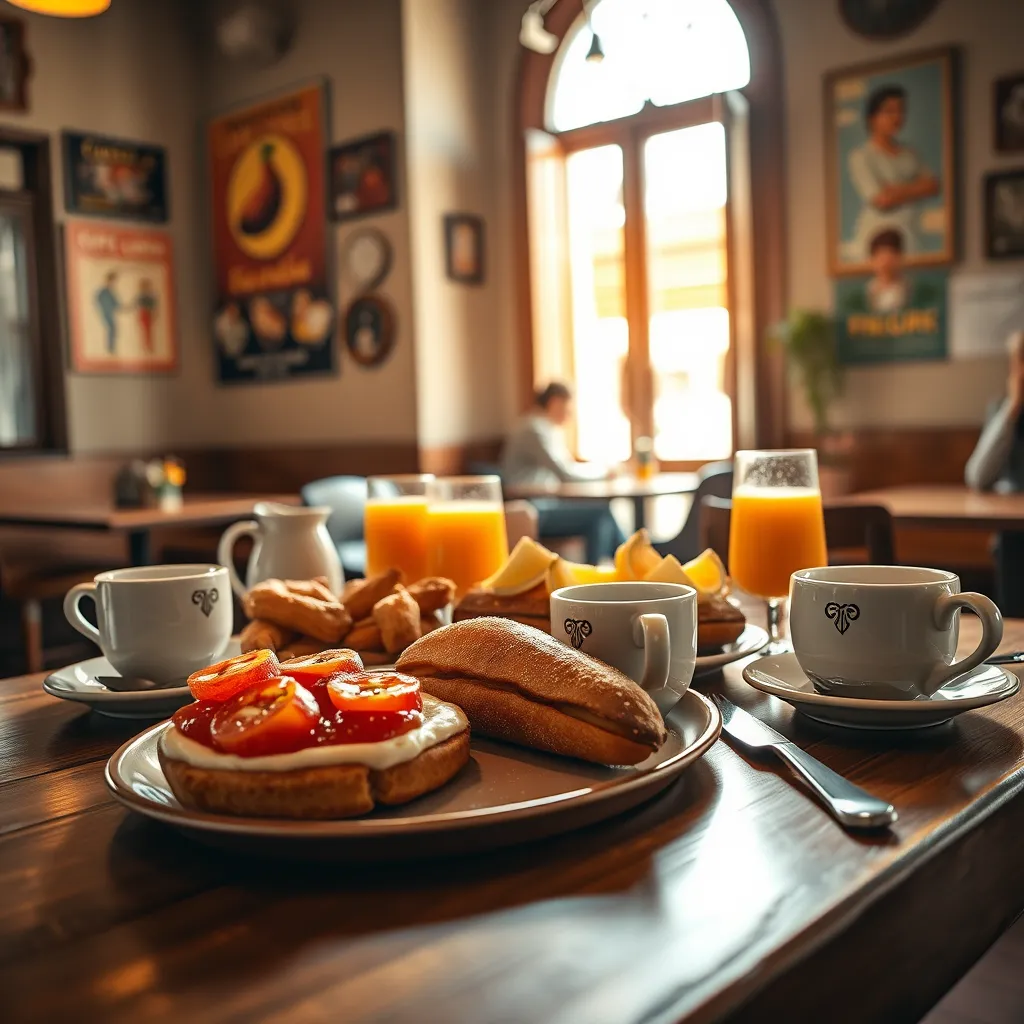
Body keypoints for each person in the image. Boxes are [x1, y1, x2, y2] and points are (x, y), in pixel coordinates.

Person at [501, 382, 626, 565]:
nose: (570, 414)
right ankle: (614, 569)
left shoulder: (546, 429)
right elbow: (565, 473)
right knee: (600, 513)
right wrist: (604, 473)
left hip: (541, 502)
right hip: (530, 508)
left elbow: (566, 468)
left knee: (603, 512)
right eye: (568, 407)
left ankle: (630, 563)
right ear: (554, 403)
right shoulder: (535, 430)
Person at [965, 330, 1024, 614]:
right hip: (1014, 536)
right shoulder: (1004, 412)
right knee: (1010, 540)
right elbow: (978, 476)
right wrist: (1013, 408)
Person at [848, 84, 939, 261]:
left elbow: (932, 186)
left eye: (900, 111)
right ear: (872, 117)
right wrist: (915, 188)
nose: (897, 117)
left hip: (910, 231)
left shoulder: (910, 154)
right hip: (877, 235)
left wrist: (895, 190)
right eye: (889, 111)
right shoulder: (861, 156)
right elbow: (881, 199)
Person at [94, 271, 121, 355]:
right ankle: (110, 348)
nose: (113, 283)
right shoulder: (103, 291)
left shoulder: (110, 291)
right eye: (112, 281)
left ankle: (111, 347)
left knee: (113, 329)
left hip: (110, 313)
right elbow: (98, 300)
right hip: (106, 313)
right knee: (111, 328)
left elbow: (116, 303)